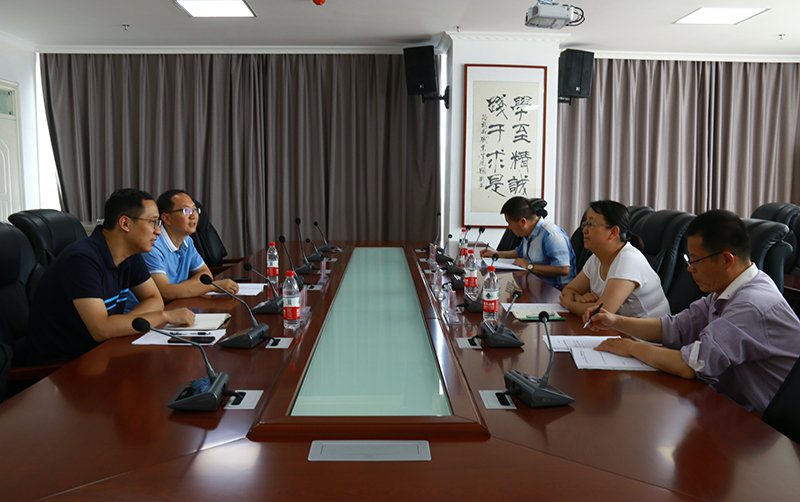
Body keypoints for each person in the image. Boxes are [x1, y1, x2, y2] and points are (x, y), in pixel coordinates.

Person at [586, 209, 800, 413]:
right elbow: (673, 328)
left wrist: (632, 347)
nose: (690, 268)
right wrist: (615, 321)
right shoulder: (725, 291)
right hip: (731, 403)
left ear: (726, 260)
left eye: (695, 260)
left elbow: (691, 364)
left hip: (768, 425)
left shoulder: (751, 305)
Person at [25, 189, 195, 365]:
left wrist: (118, 325)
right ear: (125, 223)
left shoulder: (130, 255)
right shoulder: (82, 259)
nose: (158, 231)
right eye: (153, 222)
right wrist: (164, 316)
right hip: (63, 366)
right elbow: (101, 329)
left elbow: (154, 299)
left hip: (103, 352)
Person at [126, 189, 238, 309]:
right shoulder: (152, 245)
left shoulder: (187, 241)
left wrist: (178, 289)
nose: (193, 216)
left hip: (175, 306)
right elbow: (165, 293)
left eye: (195, 210)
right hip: (143, 313)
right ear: (166, 218)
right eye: (186, 211)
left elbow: (205, 274)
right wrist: (211, 287)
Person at [559, 200, 670, 318]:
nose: (584, 230)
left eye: (591, 224)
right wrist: (580, 299)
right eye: (585, 224)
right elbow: (568, 290)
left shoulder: (629, 259)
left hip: (646, 329)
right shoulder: (597, 258)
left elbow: (601, 312)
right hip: (616, 326)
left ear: (613, 232)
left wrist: (569, 304)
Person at [480, 197, 576, 289]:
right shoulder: (529, 232)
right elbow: (519, 252)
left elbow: (564, 269)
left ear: (523, 221)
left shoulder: (551, 235)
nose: (509, 228)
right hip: (535, 284)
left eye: (510, 223)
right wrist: (495, 254)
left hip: (555, 290)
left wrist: (530, 266)